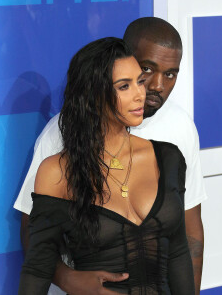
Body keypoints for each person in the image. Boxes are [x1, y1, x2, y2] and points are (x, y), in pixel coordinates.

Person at [15, 17, 207, 295]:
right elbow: (36, 257)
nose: (148, 90)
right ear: (96, 92)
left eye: (169, 74)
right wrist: (68, 279)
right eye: (127, 84)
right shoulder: (57, 151)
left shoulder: (172, 148)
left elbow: (183, 243)